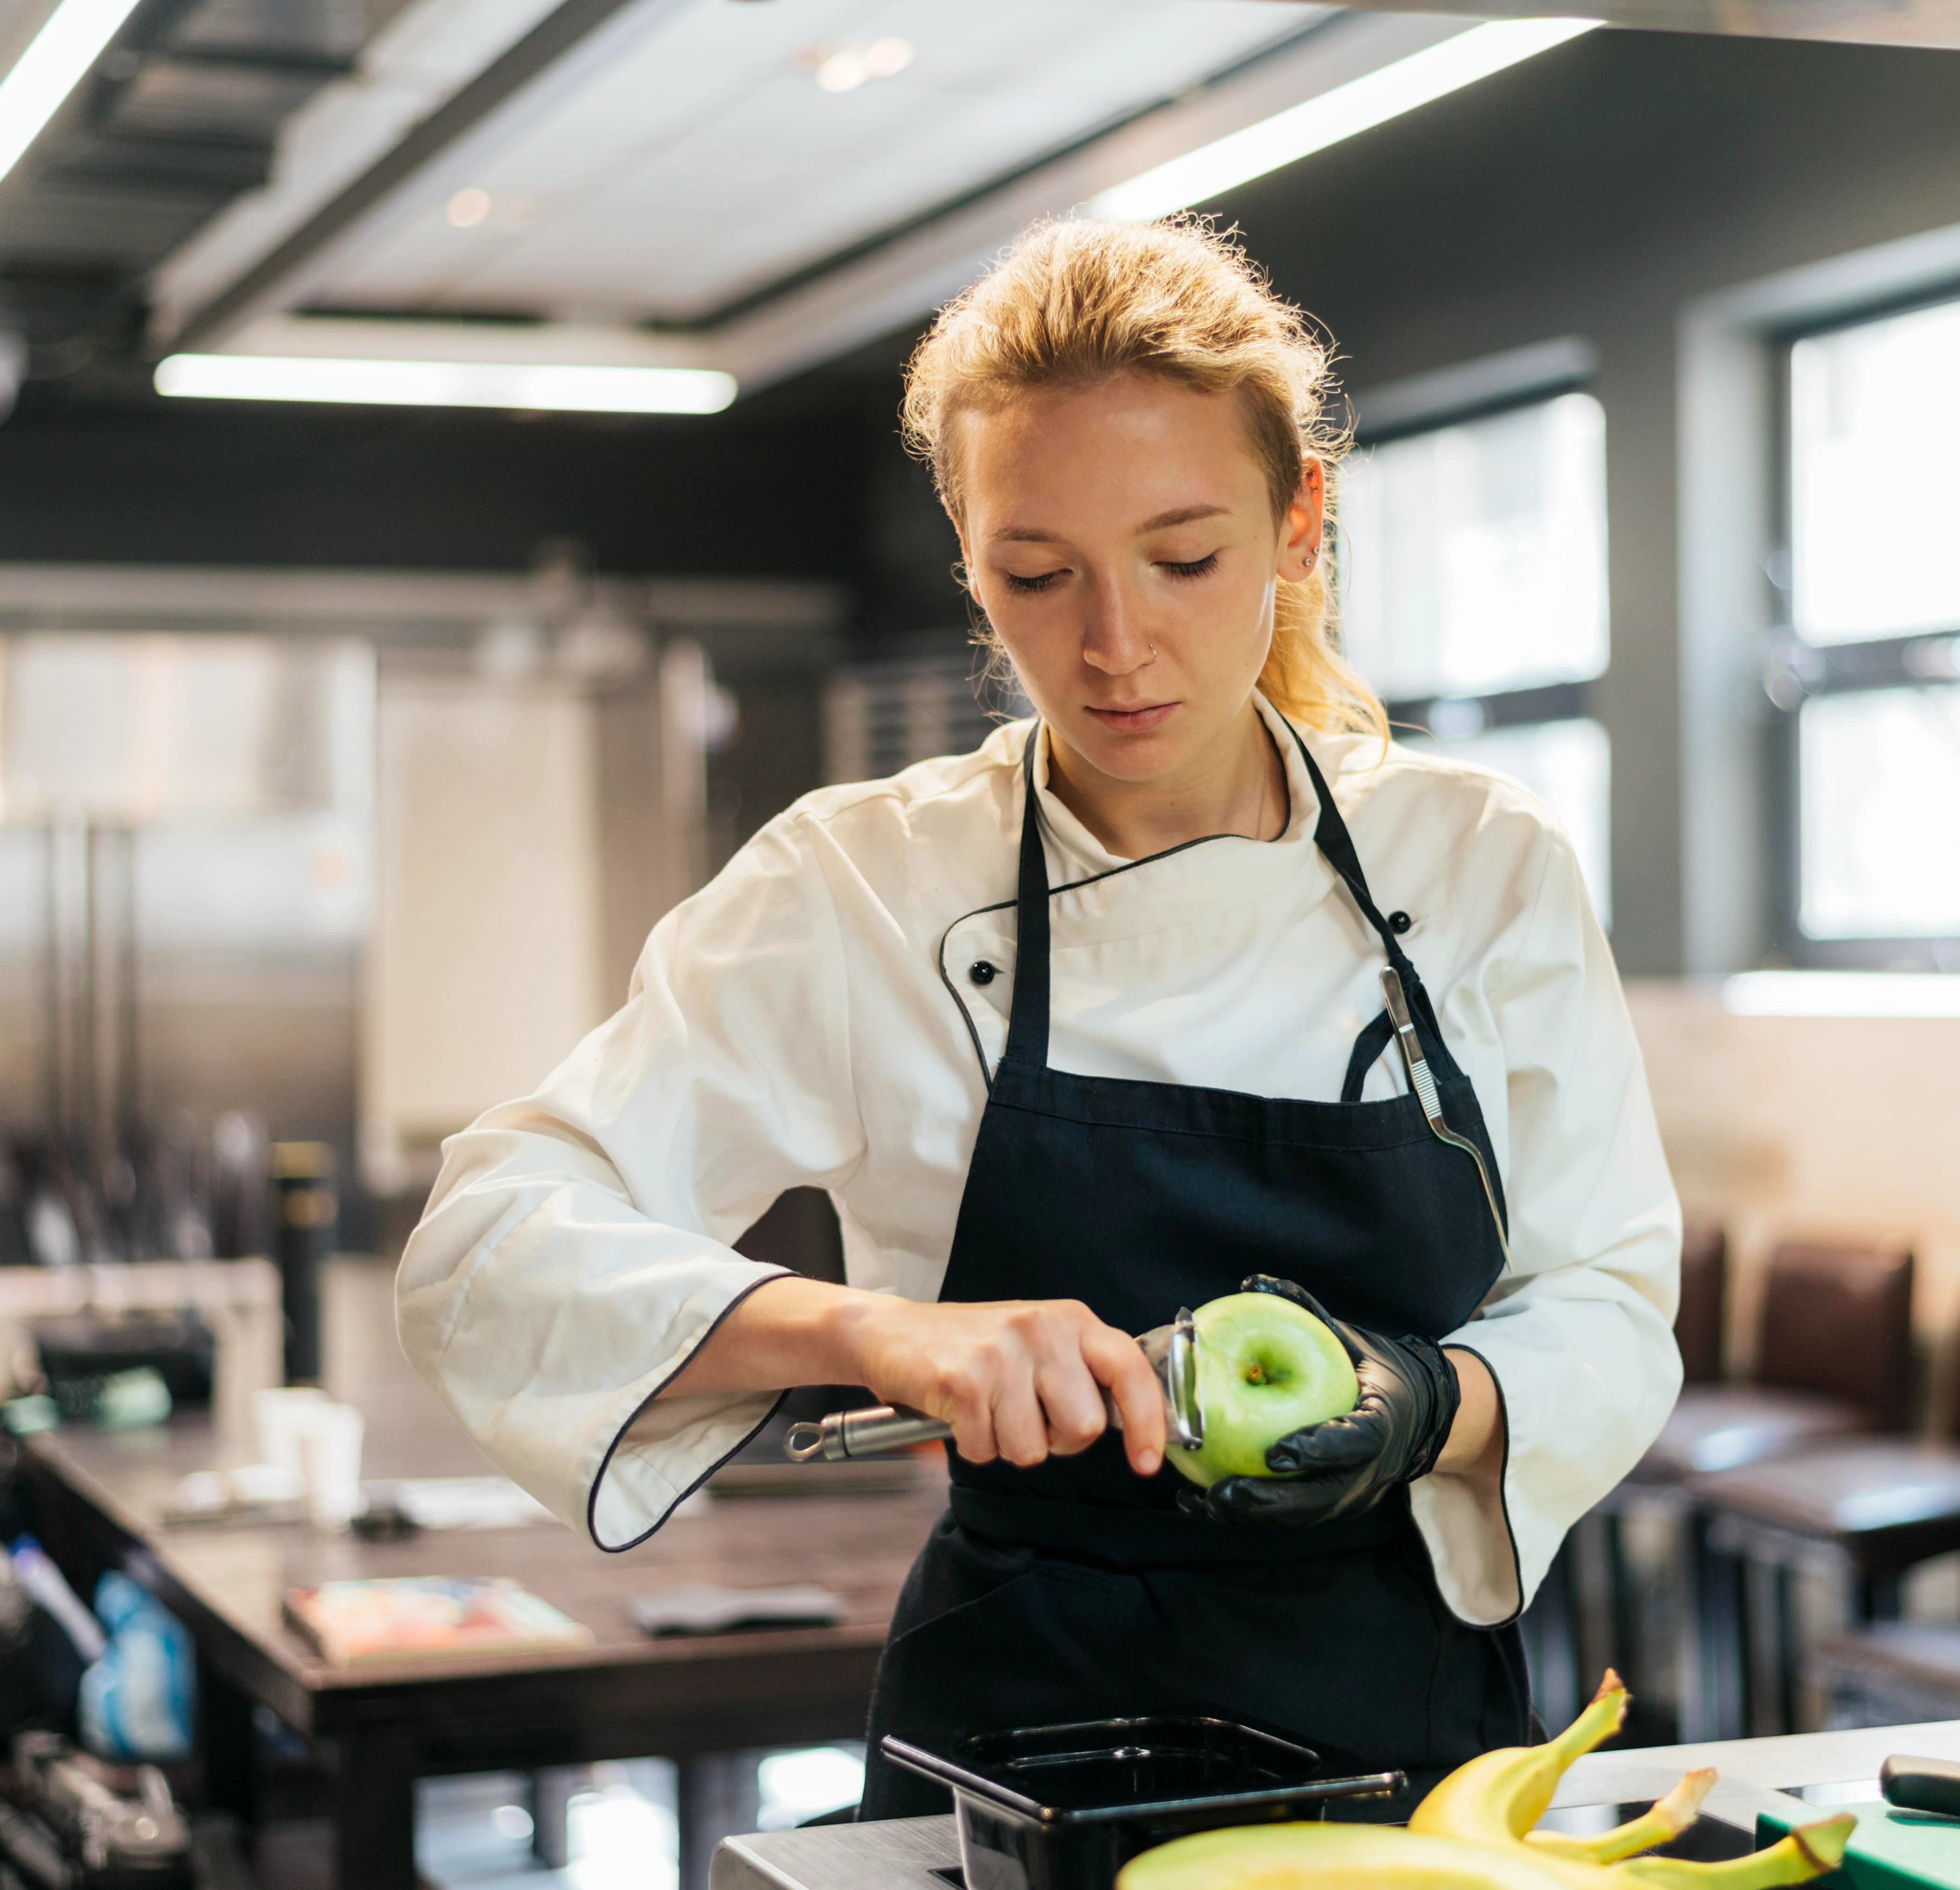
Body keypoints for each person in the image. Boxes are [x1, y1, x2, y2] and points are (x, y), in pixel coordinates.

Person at [396, 217, 1681, 1816]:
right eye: (1035, 574)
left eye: (1185, 557)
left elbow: (1612, 1302)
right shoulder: (863, 884)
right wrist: (878, 1334)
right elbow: (490, 1242)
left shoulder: (1478, 863)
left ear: (1299, 523)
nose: (1113, 645)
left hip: (1403, 1733)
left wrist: (1428, 1404)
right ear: (969, 559)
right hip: (1007, 1742)